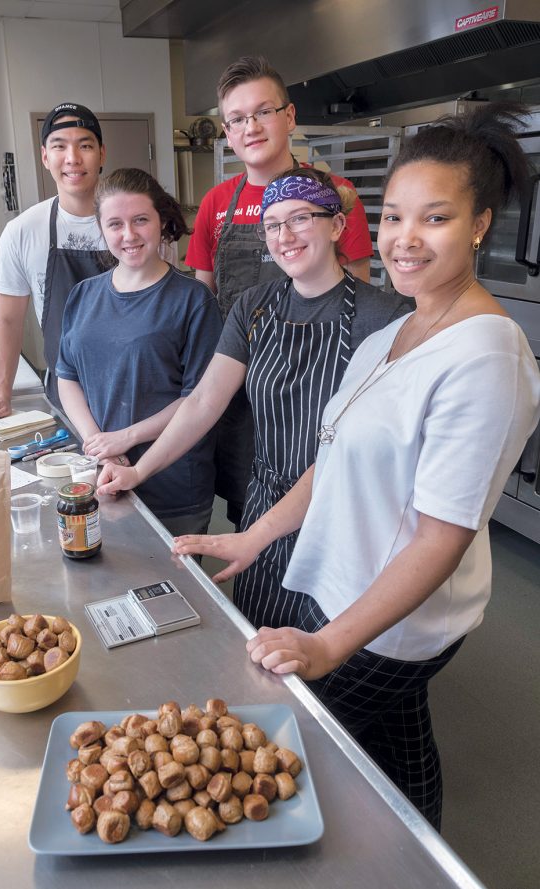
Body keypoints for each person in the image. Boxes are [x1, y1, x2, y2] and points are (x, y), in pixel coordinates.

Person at [172, 103, 540, 828]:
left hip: (394, 619)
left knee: (287, 747)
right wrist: (256, 536)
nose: (406, 239)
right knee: (401, 745)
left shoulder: (485, 356)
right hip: (346, 587)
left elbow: (442, 537)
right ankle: (429, 863)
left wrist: (326, 644)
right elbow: (334, 460)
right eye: (395, 216)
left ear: (479, 224)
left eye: (434, 219)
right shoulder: (399, 328)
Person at [97, 166, 411, 626]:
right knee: (259, 637)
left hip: (342, 513)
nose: (285, 236)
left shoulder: (385, 317)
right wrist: (140, 470)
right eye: (273, 224)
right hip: (262, 505)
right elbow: (204, 402)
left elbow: (370, 451)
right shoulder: (252, 308)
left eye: (301, 218)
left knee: (332, 648)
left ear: (337, 226)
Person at [186, 56, 374, 526]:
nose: (250, 127)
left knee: (323, 519)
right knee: (247, 520)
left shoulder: (337, 195)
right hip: (241, 397)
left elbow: (362, 307)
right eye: (236, 118)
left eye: (263, 112)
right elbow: (204, 303)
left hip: (318, 392)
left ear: (289, 117)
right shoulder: (215, 203)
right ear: (227, 132)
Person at [56, 168, 222, 536]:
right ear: (101, 228)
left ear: (162, 222)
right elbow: (67, 378)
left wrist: (126, 437)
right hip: (101, 477)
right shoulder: (83, 295)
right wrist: (99, 443)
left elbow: (199, 399)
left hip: (172, 487)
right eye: (115, 224)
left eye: (140, 220)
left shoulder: (193, 300)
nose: (128, 235)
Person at [0, 103, 112, 423]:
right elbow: (7, 320)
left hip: (137, 391)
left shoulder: (132, 223)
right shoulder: (23, 231)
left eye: (85, 145)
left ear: (102, 153)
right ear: (45, 157)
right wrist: (2, 394)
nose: (72, 158)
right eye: (60, 146)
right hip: (65, 396)